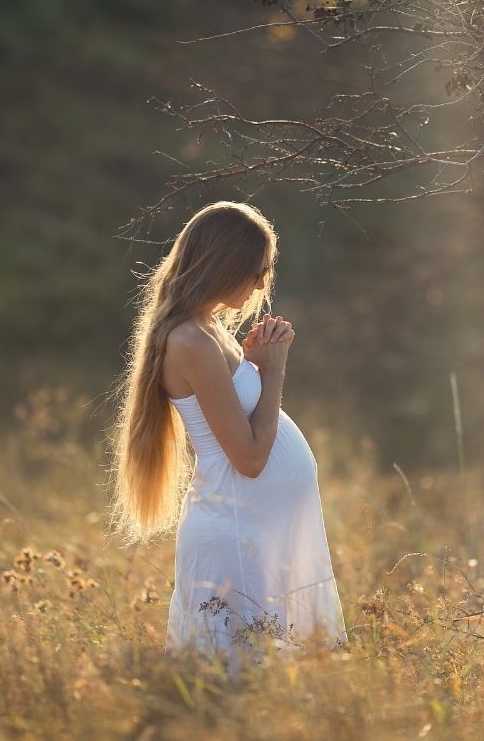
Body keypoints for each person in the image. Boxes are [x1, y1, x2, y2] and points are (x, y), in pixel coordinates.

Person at [109, 200, 348, 673]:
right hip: (235, 535)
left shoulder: (210, 329)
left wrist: (254, 363)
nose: (263, 284)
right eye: (256, 271)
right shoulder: (191, 341)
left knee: (272, 686)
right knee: (232, 688)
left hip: (257, 531)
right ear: (224, 266)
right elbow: (250, 458)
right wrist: (273, 371)